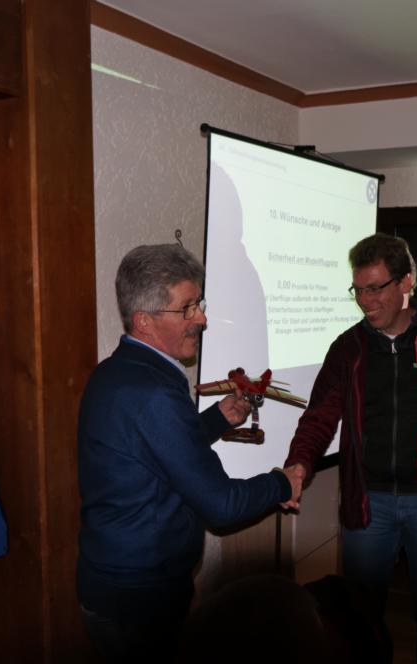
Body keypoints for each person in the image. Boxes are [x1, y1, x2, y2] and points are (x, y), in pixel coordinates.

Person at [76, 244, 302, 663]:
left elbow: (154, 453)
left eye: (199, 304)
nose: (201, 319)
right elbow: (221, 505)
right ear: (144, 320)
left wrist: (215, 420)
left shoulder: (117, 372)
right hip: (139, 599)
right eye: (187, 308)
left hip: (117, 587)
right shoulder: (152, 391)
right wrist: (281, 482)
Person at [283, 233, 417, 664]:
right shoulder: (349, 349)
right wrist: (299, 463)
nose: (365, 300)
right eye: (358, 289)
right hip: (369, 503)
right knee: (361, 615)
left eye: (376, 288)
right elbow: (320, 416)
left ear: (406, 282)